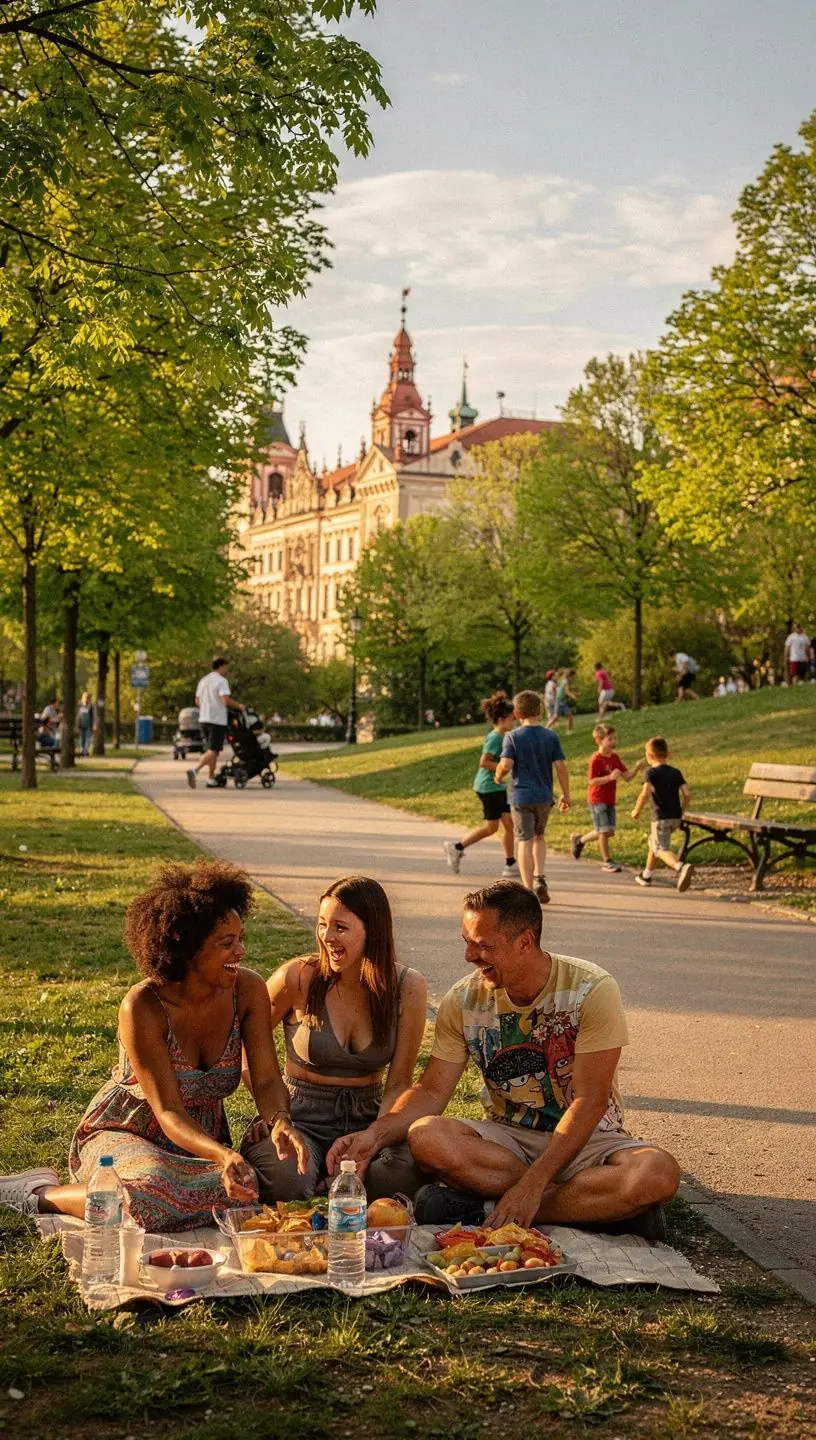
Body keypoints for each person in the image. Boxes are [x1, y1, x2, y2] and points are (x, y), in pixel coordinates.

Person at [333, 883, 680, 1241]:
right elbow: (432, 1090)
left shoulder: (591, 990)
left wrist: (532, 1185)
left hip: (588, 1137)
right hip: (506, 1143)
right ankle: (597, 1207)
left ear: (525, 942)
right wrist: (374, 1135)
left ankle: (483, 1208)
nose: (469, 956)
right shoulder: (464, 999)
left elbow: (589, 1101)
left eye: (483, 946)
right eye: (466, 941)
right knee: (426, 1135)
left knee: (657, 1172)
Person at [0, 860, 309, 1230]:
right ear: (188, 946)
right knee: (145, 1195)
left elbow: (265, 1080)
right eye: (227, 943)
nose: (241, 951)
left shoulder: (248, 990)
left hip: (198, 1140)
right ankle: (37, 1193)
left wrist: (280, 1120)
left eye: (242, 938)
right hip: (129, 1130)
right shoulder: (143, 1006)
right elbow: (168, 1111)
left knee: (240, 1191)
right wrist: (221, 1154)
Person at [241, 875, 427, 1202]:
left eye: (340, 928)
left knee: (397, 1174)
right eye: (322, 924)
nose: (327, 937)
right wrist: (271, 1111)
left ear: (373, 932)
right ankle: (318, 1184)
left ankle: (340, 1187)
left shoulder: (408, 986)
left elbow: (398, 1083)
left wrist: (373, 1141)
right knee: (290, 1180)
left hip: (368, 1116)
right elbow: (244, 1043)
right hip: (301, 1115)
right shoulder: (297, 977)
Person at [494, 690, 570, 906]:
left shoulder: (512, 737)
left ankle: (527, 892)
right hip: (544, 796)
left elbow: (506, 765)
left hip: (520, 796)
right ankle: (539, 877)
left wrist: (498, 775)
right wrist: (566, 794)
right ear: (540, 711)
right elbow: (561, 767)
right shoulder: (550, 736)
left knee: (524, 841)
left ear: (516, 713)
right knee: (539, 837)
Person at [443, 692, 517, 879]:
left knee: (508, 824)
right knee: (492, 827)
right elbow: (484, 762)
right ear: (501, 720)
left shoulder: (502, 736)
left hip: (497, 787)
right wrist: (504, 766)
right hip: (489, 787)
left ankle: (510, 863)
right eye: (511, 719)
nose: (514, 721)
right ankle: (457, 847)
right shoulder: (495, 738)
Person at [570, 725, 643, 873]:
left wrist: (637, 768)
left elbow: (627, 777)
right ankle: (607, 862)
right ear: (599, 740)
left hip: (610, 799)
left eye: (614, 738)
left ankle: (580, 841)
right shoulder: (596, 759)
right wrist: (609, 777)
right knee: (603, 832)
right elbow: (592, 781)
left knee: (609, 831)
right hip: (597, 799)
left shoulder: (615, 757)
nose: (613, 741)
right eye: (610, 739)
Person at [631, 736, 694, 892]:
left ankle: (680, 866)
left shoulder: (650, 772)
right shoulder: (676, 772)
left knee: (660, 849)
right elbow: (687, 794)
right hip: (675, 817)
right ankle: (646, 875)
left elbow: (645, 794)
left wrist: (636, 810)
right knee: (654, 843)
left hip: (660, 818)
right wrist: (682, 812)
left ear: (649, 756)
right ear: (668, 754)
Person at [187, 657, 245, 789]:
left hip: (204, 718)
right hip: (217, 720)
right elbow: (225, 701)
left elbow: (197, 701)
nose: (226, 670)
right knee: (214, 750)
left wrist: (207, 706)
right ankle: (195, 770)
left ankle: (211, 779)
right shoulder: (221, 681)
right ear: (220, 667)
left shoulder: (203, 680)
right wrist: (239, 706)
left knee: (213, 751)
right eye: (226, 668)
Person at [547, 668, 578, 733]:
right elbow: (567, 691)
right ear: (571, 675)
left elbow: (564, 690)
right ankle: (546, 728)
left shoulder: (564, 680)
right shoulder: (566, 681)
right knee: (566, 716)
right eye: (574, 676)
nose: (575, 678)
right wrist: (574, 697)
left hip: (558, 700)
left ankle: (569, 731)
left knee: (558, 717)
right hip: (559, 701)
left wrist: (574, 694)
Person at [76, 691, 95, 757]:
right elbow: (77, 716)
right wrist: (76, 725)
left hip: (88, 725)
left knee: (87, 739)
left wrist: (94, 725)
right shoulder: (79, 705)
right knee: (81, 739)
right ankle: (82, 750)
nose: (86, 699)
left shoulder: (91, 706)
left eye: (87, 698)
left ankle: (85, 751)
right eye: (85, 697)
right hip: (81, 725)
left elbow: (94, 716)